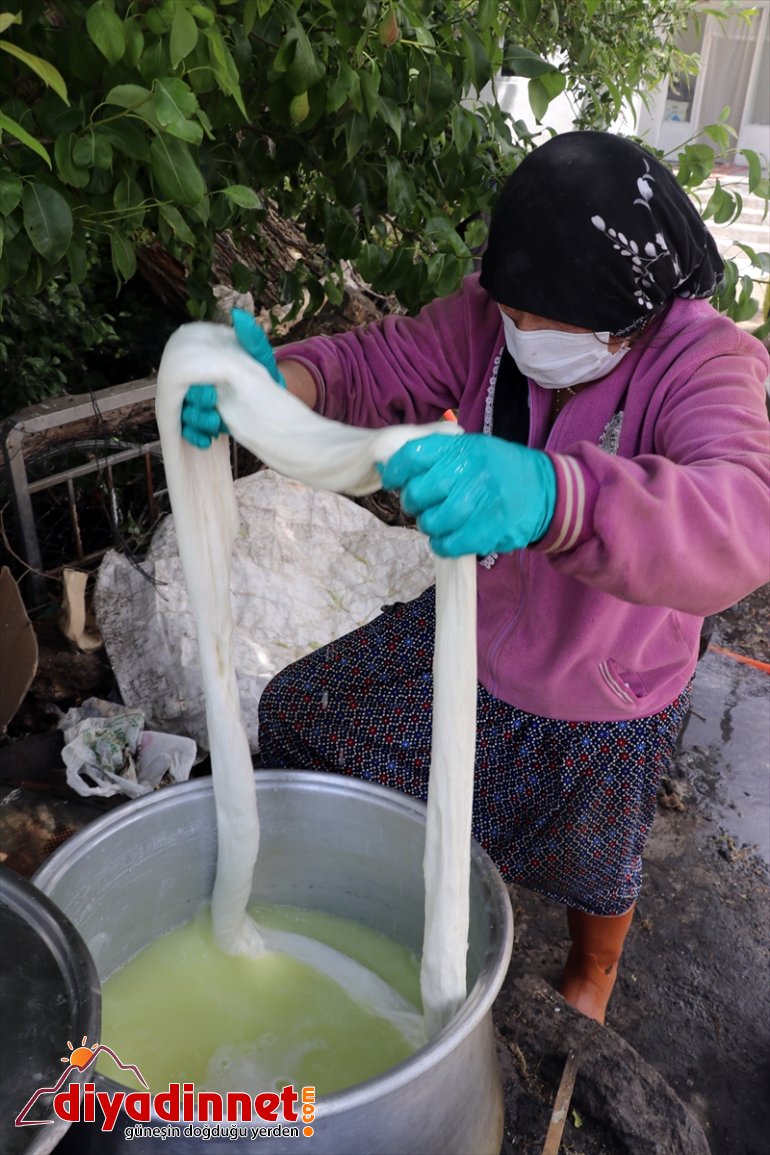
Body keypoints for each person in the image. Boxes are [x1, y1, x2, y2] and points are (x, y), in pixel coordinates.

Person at [181, 131, 770, 1025]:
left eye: (548, 320)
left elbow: (739, 521)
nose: (522, 334)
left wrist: (555, 497)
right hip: (472, 635)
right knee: (304, 715)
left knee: (595, 857)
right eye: (511, 311)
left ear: (631, 313)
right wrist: (274, 390)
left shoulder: (703, 362)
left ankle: (592, 972)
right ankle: (366, 895)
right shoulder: (486, 321)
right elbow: (374, 366)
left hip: (608, 684)